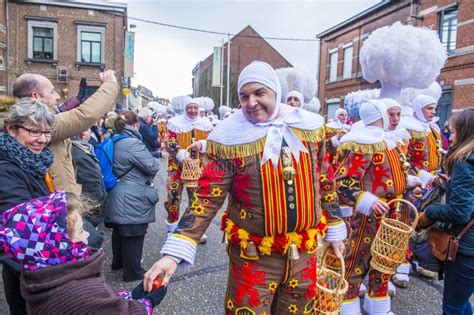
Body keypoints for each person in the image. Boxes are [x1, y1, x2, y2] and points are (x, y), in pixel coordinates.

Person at [144, 61, 346, 314]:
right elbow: (207, 198)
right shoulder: (229, 138)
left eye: (259, 93)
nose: (251, 102)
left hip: (305, 253)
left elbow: (324, 180)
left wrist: (336, 229)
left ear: (275, 92)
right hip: (253, 258)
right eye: (244, 96)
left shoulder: (309, 128)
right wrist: (173, 253)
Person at [0, 191, 167, 314]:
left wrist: (130, 295)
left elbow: (100, 305)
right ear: (58, 246)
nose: (87, 235)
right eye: (81, 231)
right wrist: (147, 303)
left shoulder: (43, 276)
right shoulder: (77, 293)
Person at [335, 100, 409, 314]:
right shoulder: (362, 142)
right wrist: (364, 200)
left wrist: (410, 182)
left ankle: (378, 303)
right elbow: (342, 183)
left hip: (393, 212)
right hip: (368, 216)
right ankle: (348, 304)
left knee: (385, 261)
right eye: (390, 113)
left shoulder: (388, 140)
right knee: (357, 260)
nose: (395, 118)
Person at [12, 70, 119, 196]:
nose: (57, 96)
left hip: (63, 205)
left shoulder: (32, 120)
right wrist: (110, 84)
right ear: (36, 96)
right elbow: (85, 115)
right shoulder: (35, 123)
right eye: (52, 92)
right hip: (57, 208)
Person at [0, 98, 55, 315]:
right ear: (11, 129)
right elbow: (21, 228)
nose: (43, 140)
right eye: (34, 132)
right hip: (28, 271)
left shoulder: (32, 161)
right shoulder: (6, 169)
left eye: (48, 132)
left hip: (35, 269)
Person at [417, 108, 474, 315]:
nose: (450, 136)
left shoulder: (463, 161)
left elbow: (460, 211)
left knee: (452, 306)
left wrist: (431, 211)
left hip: (467, 248)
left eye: (453, 131)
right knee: (461, 301)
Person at [104, 111, 160, 282]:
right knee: (133, 231)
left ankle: (118, 263)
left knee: (120, 230)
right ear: (135, 124)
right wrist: (156, 159)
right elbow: (152, 166)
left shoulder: (115, 139)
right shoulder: (132, 143)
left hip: (118, 191)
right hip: (132, 195)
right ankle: (133, 271)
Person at [401, 94, 444, 278]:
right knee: (408, 221)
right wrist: (423, 177)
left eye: (434, 108)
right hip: (415, 183)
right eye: (429, 108)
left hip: (433, 182)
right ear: (418, 108)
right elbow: (405, 160)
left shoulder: (433, 128)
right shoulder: (409, 129)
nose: (433, 112)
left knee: (426, 223)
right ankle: (401, 261)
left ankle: (421, 260)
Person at [164, 97, 213, 234]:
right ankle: (172, 228)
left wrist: (202, 144)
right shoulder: (174, 123)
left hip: (198, 169)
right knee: (173, 198)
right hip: (176, 168)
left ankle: (193, 229)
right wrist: (180, 153)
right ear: (185, 109)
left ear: (199, 109)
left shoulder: (206, 124)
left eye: (195, 108)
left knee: (197, 200)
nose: (192, 111)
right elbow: (169, 142)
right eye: (189, 108)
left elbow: (214, 143)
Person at [71, 128, 107, 228]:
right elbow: (92, 188)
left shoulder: (81, 149)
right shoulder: (79, 153)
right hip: (88, 213)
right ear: (82, 134)